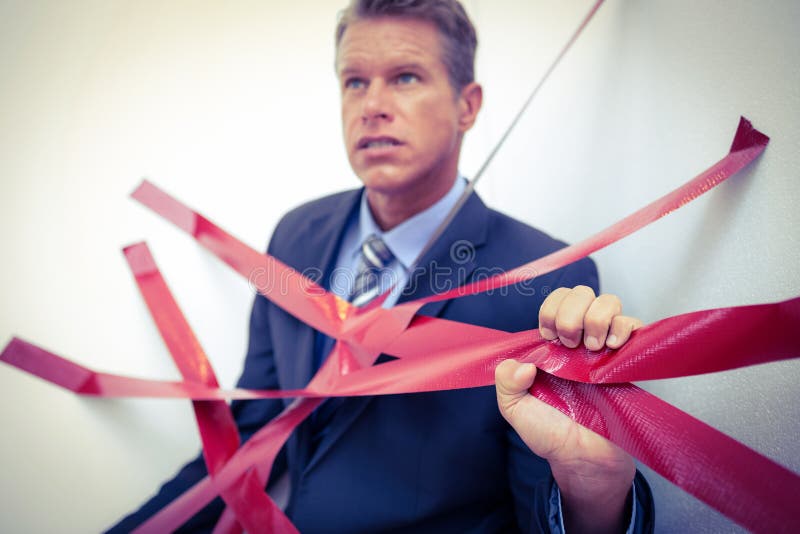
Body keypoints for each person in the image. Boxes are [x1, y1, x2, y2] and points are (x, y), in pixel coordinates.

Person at [111, 1, 654, 532]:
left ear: (468, 106)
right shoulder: (295, 234)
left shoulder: (546, 277)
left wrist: (595, 494)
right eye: (354, 82)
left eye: (405, 77)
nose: (372, 105)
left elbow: (540, 508)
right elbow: (251, 436)